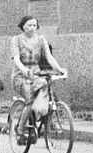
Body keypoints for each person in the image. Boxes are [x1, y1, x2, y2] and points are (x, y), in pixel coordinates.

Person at [10, 16, 64, 145]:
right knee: (30, 100)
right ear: (23, 26)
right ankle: (20, 130)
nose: (32, 28)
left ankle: (48, 123)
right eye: (29, 25)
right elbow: (16, 59)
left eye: (34, 25)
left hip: (36, 74)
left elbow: (49, 57)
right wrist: (24, 70)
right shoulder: (16, 40)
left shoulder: (41, 39)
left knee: (47, 90)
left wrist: (59, 69)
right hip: (20, 76)